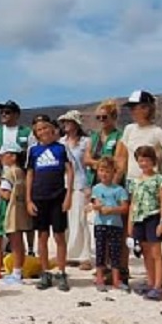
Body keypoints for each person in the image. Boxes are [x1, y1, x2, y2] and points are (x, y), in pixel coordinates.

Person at [113, 90, 162, 284]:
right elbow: (121, 157)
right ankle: (124, 271)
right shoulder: (129, 130)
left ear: (146, 108)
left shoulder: (157, 132)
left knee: (150, 235)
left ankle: (155, 280)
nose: (133, 112)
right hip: (130, 184)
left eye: (136, 108)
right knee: (127, 231)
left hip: (149, 187)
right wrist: (114, 182)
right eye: (131, 108)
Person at [23, 116, 74, 291]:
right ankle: (45, 272)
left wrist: (69, 195)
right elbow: (30, 174)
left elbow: (70, 171)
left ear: (52, 129)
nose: (43, 131)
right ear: (36, 134)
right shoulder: (34, 151)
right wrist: (28, 199)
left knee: (59, 236)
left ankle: (61, 272)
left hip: (58, 196)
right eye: (39, 130)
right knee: (42, 236)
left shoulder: (61, 148)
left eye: (46, 128)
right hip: (39, 197)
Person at [129, 146, 162, 301]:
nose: (144, 163)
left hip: (153, 217)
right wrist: (130, 224)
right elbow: (133, 203)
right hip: (139, 219)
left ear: (153, 161)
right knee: (146, 253)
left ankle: (158, 286)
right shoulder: (135, 181)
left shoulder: (159, 179)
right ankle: (150, 281)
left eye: (147, 160)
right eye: (141, 160)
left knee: (156, 253)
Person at [58, 110, 94, 271]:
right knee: (66, 219)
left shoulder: (86, 142)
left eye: (68, 121)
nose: (65, 124)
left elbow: (87, 163)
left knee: (80, 218)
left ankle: (84, 256)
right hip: (63, 183)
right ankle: (70, 254)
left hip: (80, 182)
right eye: (64, 121)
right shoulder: (60, 142)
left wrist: (89, 186)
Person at [89, 158, 129, 291]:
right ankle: (99, 278)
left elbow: (125, 208)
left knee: (115, 252)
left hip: (115, 224)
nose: (104, 174)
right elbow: (94, 203)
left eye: (107, 171)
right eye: (101, 171)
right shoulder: (96, 188)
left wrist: (112, 209)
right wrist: (96, 206)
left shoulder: (119, 190)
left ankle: (116, 280)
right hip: (100, 223)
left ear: (113, 172)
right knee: (100, 251)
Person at [0, 143, 31, 275]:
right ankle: (19, 270)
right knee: (20, 242)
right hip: (22, 208)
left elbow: (6, 194)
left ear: (12, 157)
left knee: (15, 242)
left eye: (4, 155)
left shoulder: (9, 173)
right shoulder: (21, 172)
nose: (1, 157)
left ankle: (17, 272)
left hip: (12, 210)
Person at [0, 101, 32, 168]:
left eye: (7, 112)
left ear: (16, 115)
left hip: (20, 170)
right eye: (1, 112)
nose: (3, 114)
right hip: (1, 171)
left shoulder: (26, 132)